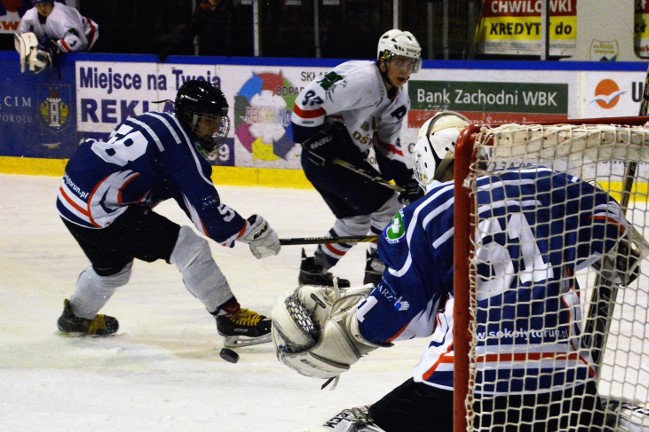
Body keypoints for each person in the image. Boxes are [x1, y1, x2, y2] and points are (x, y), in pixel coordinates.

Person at [262, 112, 649, 432]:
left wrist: (348, 331)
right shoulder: (556, 187)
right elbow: (615, 231)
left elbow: (401, 316)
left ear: (427, 164)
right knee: (581, 430)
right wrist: (612, 253)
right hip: (560, 385)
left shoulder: (424, 215)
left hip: (464, 387)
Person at [56, 79, 281, 347]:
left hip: (70, 197)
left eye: (218, 122)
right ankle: (230, 319)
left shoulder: (157, 118)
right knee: (188, 246)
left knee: (113, 270)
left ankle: (76, 317)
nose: (214, 129)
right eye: (209, 121)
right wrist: (250, 231)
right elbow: (210, 218)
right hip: (100, 210)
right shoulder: (180, 151)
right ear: (189, 116)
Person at [290, 28, 424, 288]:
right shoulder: (362, 79)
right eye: (399, 62)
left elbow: (386, 143)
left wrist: (405, 177)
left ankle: (315, 270)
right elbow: (306, 102)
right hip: (327, 157)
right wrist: (313, 138)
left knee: (354, 222)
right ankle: (379, 271)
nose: (405, 70)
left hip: (339, 159)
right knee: (390, 209)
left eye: (410, 63)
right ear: (383, 60)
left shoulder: (400, 98)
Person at [15, 0, 98, 72]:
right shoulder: (29, 16)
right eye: (38, 5)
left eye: (45, 4)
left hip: (90, 37)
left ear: (51, 2)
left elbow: (79, 42)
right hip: (62, 38)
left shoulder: (62, 16)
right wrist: (29, 51)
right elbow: (20, 37)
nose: (42, 8)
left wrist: (55, 47)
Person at [158, 0, 238, 61]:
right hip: (205, 57)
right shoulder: (204, 8)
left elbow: (230, 36)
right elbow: (188, 32)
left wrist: (229, 56)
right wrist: (169, 49)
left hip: (222, 58)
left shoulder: (228, 10)